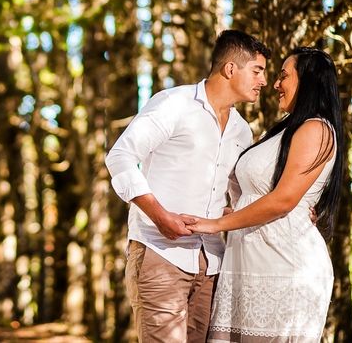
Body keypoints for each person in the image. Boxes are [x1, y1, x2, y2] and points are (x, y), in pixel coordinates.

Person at [105, 30, 271, 343]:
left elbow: (239, 201)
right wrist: (158, 214)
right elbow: (121, 157)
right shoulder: (173, 104)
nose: (263, 81)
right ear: (230, 69)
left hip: (211, 264)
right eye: (257, 71)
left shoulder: (241, 131)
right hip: (159, 253)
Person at [185, 47, 346, 342]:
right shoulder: (285, 131)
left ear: (308, 81)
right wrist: (238, 212)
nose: (274, 83)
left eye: (284, 75)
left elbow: (284, 200)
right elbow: (266, 193)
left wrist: (216, 225)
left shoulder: (317, 129)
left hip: (284, 271)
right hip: (249, 266)